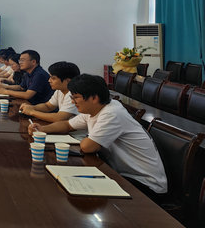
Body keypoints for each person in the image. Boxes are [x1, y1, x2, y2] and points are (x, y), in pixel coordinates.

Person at [28, 74, 167, 195]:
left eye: (75, 97)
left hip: (145, 183)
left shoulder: (111, 113)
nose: (72, 102)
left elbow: (88, 147)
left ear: (94, 98)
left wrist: (87, 138)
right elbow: (67, 125)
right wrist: (42, 129)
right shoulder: (94, 108)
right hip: (121, 173)